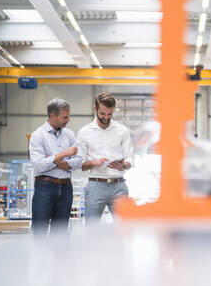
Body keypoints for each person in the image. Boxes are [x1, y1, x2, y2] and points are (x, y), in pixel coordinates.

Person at [76, 92, 134, 224]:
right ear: (95, 109)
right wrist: (93, 163)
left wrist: (123, 165)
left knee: (124, 228)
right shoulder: (84, 132)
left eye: (110, 114)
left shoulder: (122, 130)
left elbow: (130, 157)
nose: (106, 118)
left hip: (119, 185)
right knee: (92, 228)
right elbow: (80, 164)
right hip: (96, 186)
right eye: (102, 114)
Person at [29, 98, 82, 234]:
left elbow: (78, 161)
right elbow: (38, 167)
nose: (68, 120)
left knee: (60, 235)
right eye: (65, 117)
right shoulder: (38, 136)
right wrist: (64, 153)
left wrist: (53, 161)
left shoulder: (69, 135)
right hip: (45, 188)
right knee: (39, 232)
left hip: (66, 188)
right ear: (53, 116)